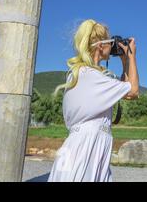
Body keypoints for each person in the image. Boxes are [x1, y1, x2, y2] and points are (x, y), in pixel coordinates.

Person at [47, 19, 139, 182]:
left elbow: (125, 91)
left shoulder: (83, 74)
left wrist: (124, 62)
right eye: (110, 42)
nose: (112, 47)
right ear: (100, 45)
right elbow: (132, 91)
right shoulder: (90, 76)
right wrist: (131, 57)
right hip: (85, 148)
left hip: (86, 145)